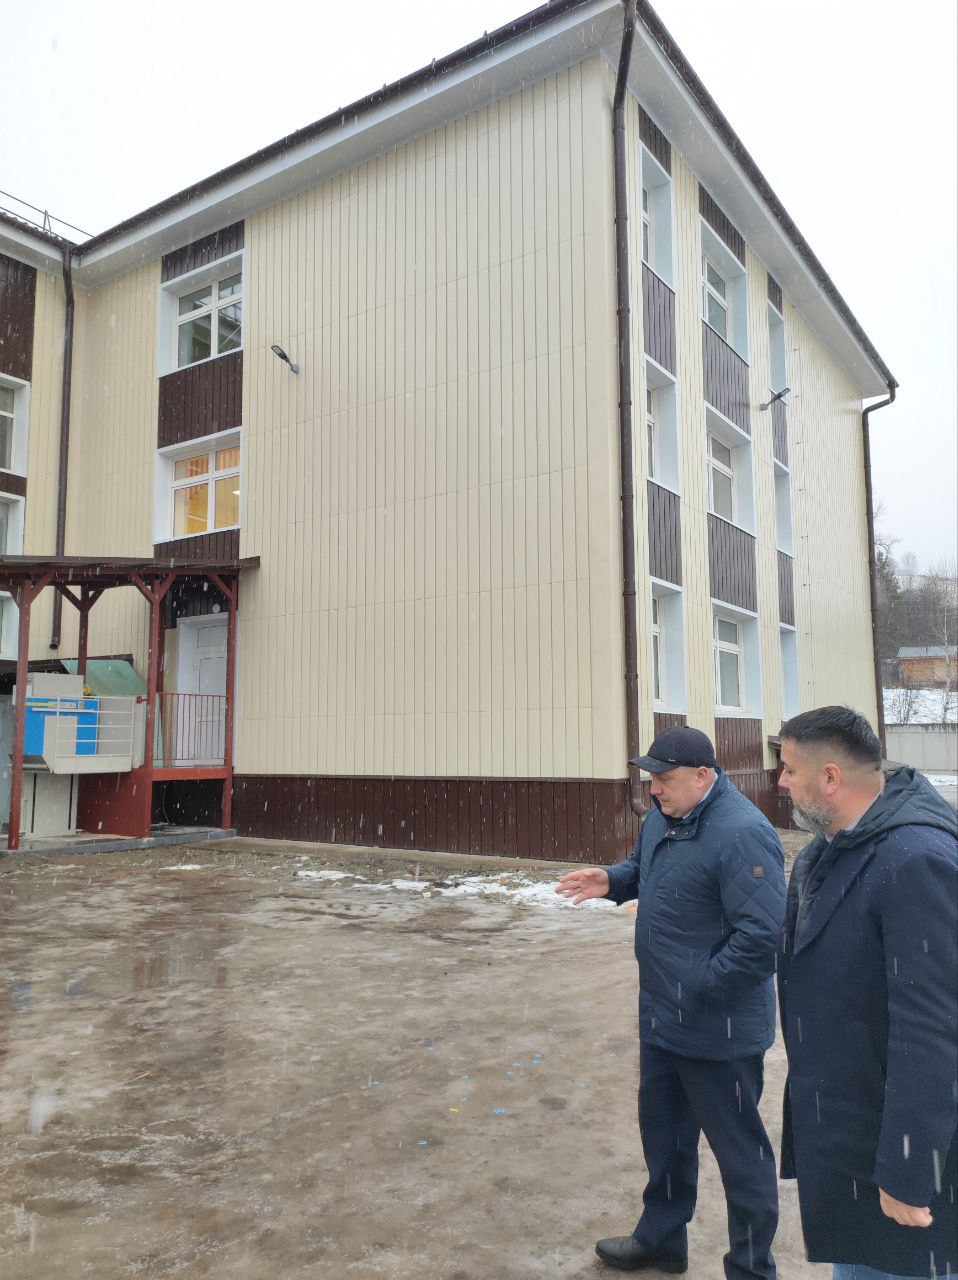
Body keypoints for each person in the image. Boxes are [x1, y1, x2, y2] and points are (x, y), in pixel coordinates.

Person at [558, 725, 786, 1278]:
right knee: (665, 1139)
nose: (654, 789)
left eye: (664, 778)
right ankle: (662, 1241)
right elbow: (646, 871)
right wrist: (612, 880)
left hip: (720, 1030)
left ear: (703, 776)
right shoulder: (664, 817)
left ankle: (752, 1268)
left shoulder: (743, 833)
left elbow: (762, 940)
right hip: (663, 1017)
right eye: (651, 778)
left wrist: (698, 987)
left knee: (740, 1157)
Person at [776, 706, 957, 1280]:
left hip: (894, 1154)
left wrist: (909, 1167)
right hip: (850, 1135)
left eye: (789, 769)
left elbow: (932, 1030)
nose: (780, 781)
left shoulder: (915, 859)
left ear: (830, 777)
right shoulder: (833, 846)